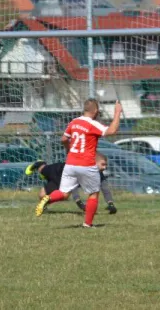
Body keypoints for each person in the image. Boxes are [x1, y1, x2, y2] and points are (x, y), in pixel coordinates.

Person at [35, 98, 122, 228]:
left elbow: (64, 139)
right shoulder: (92, 124)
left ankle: (48, 198)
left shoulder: (74, 122)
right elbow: (112, 131)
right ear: (96, 111)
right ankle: (87, 224)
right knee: (93, 193)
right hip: (86, 164)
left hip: (70, 164)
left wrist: (69, 149)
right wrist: (117, 112)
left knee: (64, 193)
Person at [26, 152, 117, 214]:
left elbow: (105, 188)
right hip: (58, 170)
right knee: (43, 169)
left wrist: (111, 204)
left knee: (43, 195)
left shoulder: (98, 173)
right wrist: (80, 204)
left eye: (106, 165)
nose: (105, 167)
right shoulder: (82, 170)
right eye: (103, 164)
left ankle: (43, 205)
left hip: (63, 179)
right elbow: (73, 187)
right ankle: (39, 164)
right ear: (94, 162)